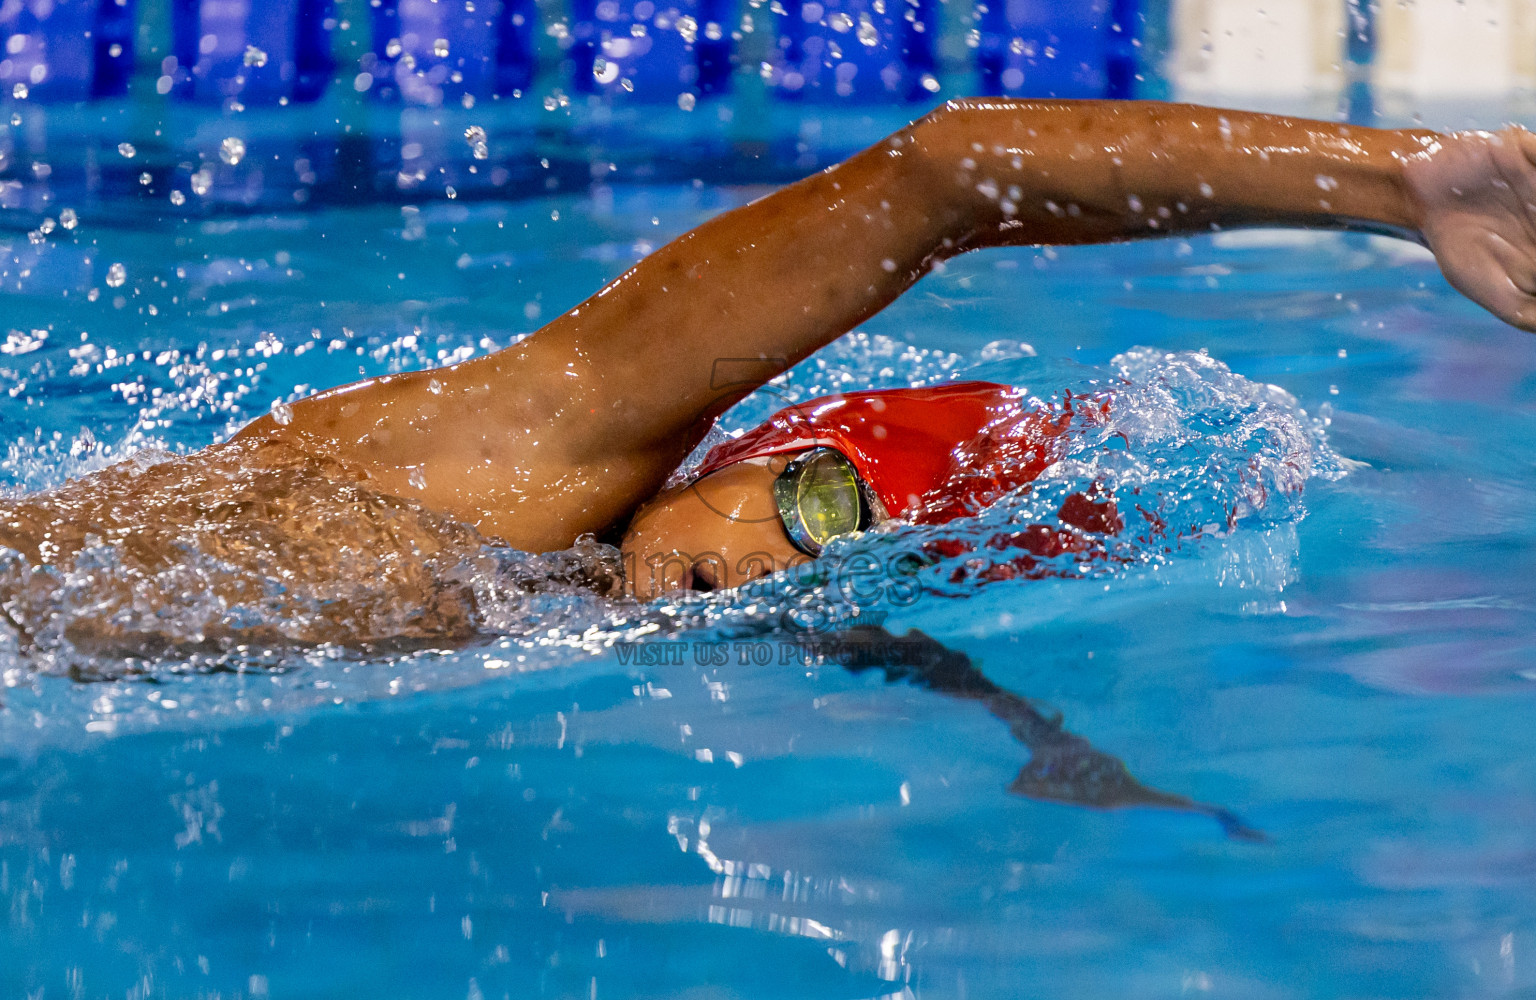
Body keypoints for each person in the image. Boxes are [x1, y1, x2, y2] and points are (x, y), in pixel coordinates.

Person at [4, 99, 1536, 652]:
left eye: (839, 565)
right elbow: (944, 173)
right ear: (764, 451)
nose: (746, 582)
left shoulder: (550, 613)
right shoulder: (522, 450)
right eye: (809, 505)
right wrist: (1402, 184)